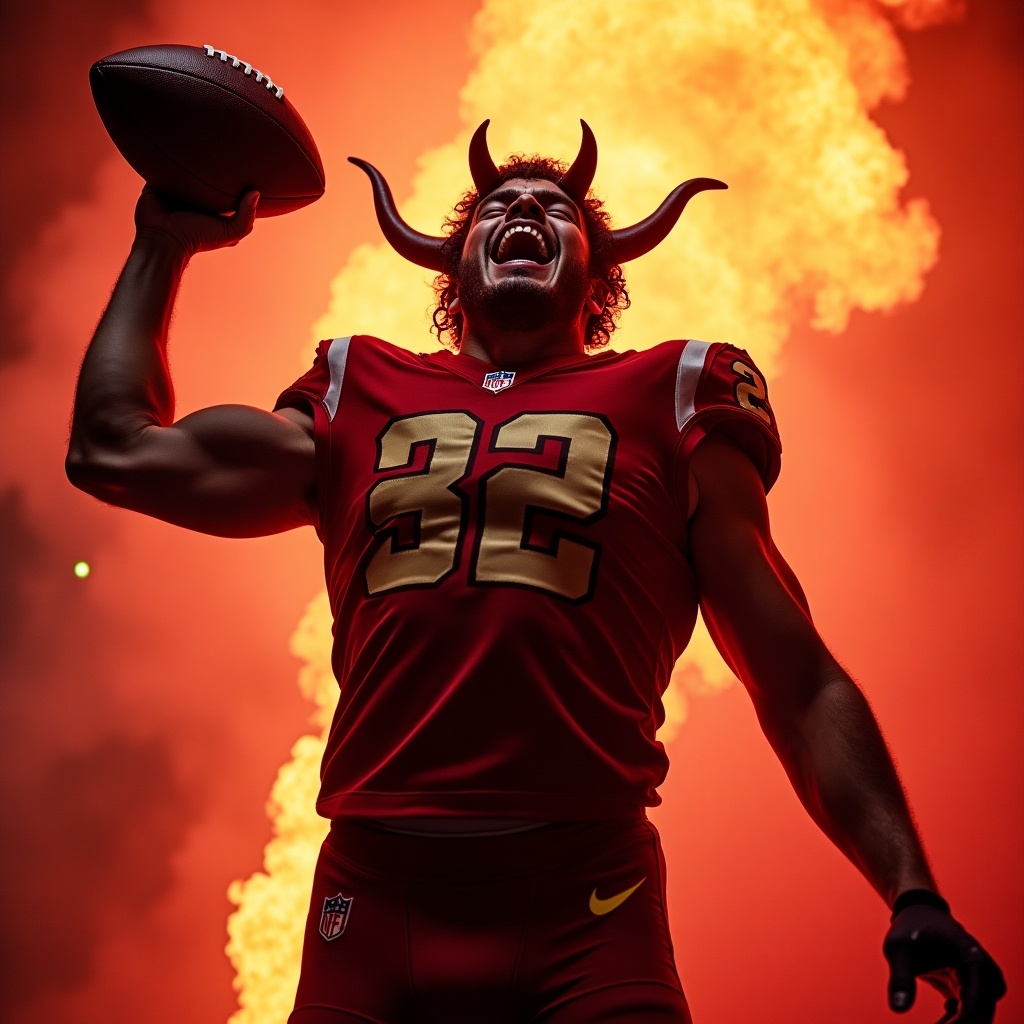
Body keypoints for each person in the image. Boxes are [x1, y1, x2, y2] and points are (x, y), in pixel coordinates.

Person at [66, 121, 1005, 1024]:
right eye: (496, 205)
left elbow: (796, 682)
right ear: (453, 262)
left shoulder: (676, 390)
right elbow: (114, 448)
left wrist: (910, 888)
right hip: (371, 893)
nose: (523, 210)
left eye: (557, 209)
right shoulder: (357, 385)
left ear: (600, 270)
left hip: (589, 901)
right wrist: (162, 241)